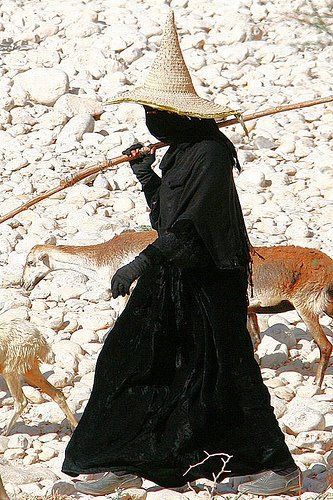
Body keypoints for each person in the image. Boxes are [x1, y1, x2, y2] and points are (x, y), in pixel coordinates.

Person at [62, 9, 302, 496]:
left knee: (227, 368)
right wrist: (147, 177)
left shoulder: (212, 153)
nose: (151, 120)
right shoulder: (177, 154)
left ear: (178, 114)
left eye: (157, 112)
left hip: (211, 280)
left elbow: (193, 228)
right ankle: (122, 459)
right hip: (174, 276)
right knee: (129, 361)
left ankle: (278, 468)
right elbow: (167, 221)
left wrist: (140, 263)